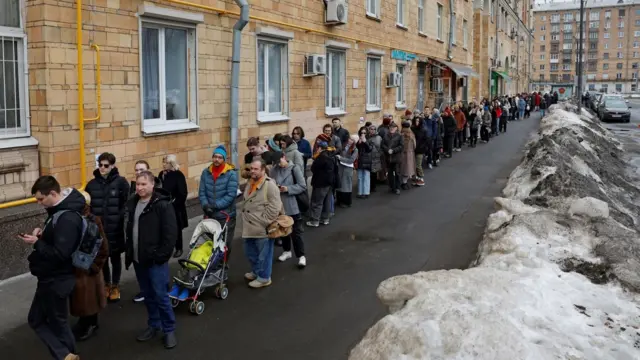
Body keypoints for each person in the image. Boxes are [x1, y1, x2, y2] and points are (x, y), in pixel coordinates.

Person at [23, 176, 85, 360]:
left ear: (53, 193)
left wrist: (37, 243)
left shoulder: (67, 217)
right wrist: (42, 236)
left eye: (41, 199)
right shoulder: (58, 212)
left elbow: (60, 254)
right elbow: (58, 241)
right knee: (36, 319)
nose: (40, 204)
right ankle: (65, 354)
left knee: (58, 322)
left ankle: (68, 355)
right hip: (49, 278)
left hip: (57, 279)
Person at [125, 171, 178, 349]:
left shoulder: (161, 205)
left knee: (160, 295)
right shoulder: (133, 202)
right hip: (139, 260)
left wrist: (160, 256)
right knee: (148, 295)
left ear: (152, 184)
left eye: (143, 184)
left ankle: (169, 329)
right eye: (137, 184)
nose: (139, 188)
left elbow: (170, 234)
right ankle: (153, 325)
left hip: (155, 261)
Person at [85, 152, 130, 303]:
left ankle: (115, 286)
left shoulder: (121, 182)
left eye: (106, 165)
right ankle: (106, 284)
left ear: (112, 166)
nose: (102, 168)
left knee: (115, 258)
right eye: (100, 165)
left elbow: (126, 203)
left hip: (115, 228)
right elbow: (88, 206)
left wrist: (119, 218)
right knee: (103, 258)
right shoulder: (92, 185)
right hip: (99, 229)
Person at [70, 190, 109, 342]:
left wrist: (94, 266)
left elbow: (103, 246)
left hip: (89, 268)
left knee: (89, 299)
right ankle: (84, 321)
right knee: (82, 299)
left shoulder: (92, 220)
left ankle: (91, 324)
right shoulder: (74, 218)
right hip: (79, 267)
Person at [241, 159, 283, 288]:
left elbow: (275, 207)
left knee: (264, 255)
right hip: (249, 226)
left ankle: (264, 277)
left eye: (255, 169)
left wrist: (264, 221)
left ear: (263, 170)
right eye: (251, 168)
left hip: (261, 227)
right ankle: (256, 271)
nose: (252, 171)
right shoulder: (251, 182)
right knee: (251, 252)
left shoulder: (269, 185)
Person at [199, 145, 239, 260]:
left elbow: (231, 195)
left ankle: (224, 267)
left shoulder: (230, 174)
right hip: (209, 214)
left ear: (224, 159)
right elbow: (202, 192)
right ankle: (211, 266)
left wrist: (215, 206)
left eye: (220, 157)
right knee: (211, 243)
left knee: (225, 244)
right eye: (215, 157)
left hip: (225, 215)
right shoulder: (206, 173)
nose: (217, 159)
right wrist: (205, 205)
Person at [129, 160, 160, 303]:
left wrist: (161, 254)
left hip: (153, 253)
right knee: (144, 281)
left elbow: (168, 231)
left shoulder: (159, 200)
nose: (138, 172)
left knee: (158, 290)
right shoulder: (133, 198)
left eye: (141, 169)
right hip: (137, 249)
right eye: (136, 170)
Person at [271, 154, 307, 268]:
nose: (279, 164)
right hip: (280, 205)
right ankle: (286, 251)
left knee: (296, 232)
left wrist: (288, 188)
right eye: (276, 162)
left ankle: (301, 256)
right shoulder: (274, 170)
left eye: (280, 160)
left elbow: (302, 186)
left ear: (284, 157)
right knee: (283, 229)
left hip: (293, 204)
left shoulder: (294, 168)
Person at [158, 154, 188, 258]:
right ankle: (167, 248)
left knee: (176, 228)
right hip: (163, 206)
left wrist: (174, 203)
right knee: (165, 228)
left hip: (175, 207)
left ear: (171, 164)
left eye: (166, 163)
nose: (163, 165)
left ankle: (179, 248)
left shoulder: (178, 175)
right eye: (163, 162)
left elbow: (183, 193)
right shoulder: (161, 174)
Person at [307, 140, 335, 227]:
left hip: (320, 182)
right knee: (326, 201)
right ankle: (325, 219)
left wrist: (315, 158)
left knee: (317, 202)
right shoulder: (330, 155)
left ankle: (315, 220)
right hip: (329, 182)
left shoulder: (320, 157)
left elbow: (313, 169)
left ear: (319, 148)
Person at [336, 134, 359, 207]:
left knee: (346, 185)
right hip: (340, 168)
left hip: (347, 169)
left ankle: (346, 202)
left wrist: (340, 158)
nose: (350, 140)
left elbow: (351, 160)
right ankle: (339, 200)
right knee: (339, 184)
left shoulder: (355, 149)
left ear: (355, 142)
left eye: (352, 140)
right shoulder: (344, 146)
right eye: (350, 138)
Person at [381, 122, 404, 195]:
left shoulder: (399, 136)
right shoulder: (386, 135)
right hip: (388, 157)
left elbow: (401, 146)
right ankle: (391, 186)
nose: (391, 128)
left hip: (396, 157)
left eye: (393, 127)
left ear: (396, 128)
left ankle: (397, 187)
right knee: (390, 173)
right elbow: (382, 145)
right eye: (390, 127)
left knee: (397, 173)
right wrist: (387, 150)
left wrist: (393, 150)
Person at [356, 127, 372, 198]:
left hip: (367, 160)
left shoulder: (370, 139)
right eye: (361, 133)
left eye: (364, 133)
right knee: (360, 177)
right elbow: (357, 149)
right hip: (360, 160)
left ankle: (366, 192)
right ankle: (360, 192)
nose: (363, 134)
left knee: (366, 177)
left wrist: (365, 142)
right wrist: (358, 143)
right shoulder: (359, 140)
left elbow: (370, 149)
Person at [400, 120, 416, 190]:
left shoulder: (401, 134)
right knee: (408, 169)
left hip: (402, 153)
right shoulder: (411, 134)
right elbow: (415, 145)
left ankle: (404, 182)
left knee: (403, 169)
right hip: (410, 153)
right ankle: (404, 183)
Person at [366, 124, 382, 193]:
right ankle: (368, 186)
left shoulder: (379, 137)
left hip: (376, 157)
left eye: (374, 129)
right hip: (368, 157)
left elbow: (382, 147)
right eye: (371, 129)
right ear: (369, 130)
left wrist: (379, 154)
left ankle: (373, 187)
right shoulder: (367, 137)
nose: (372, 130)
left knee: (374, 173)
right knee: (368, 173)